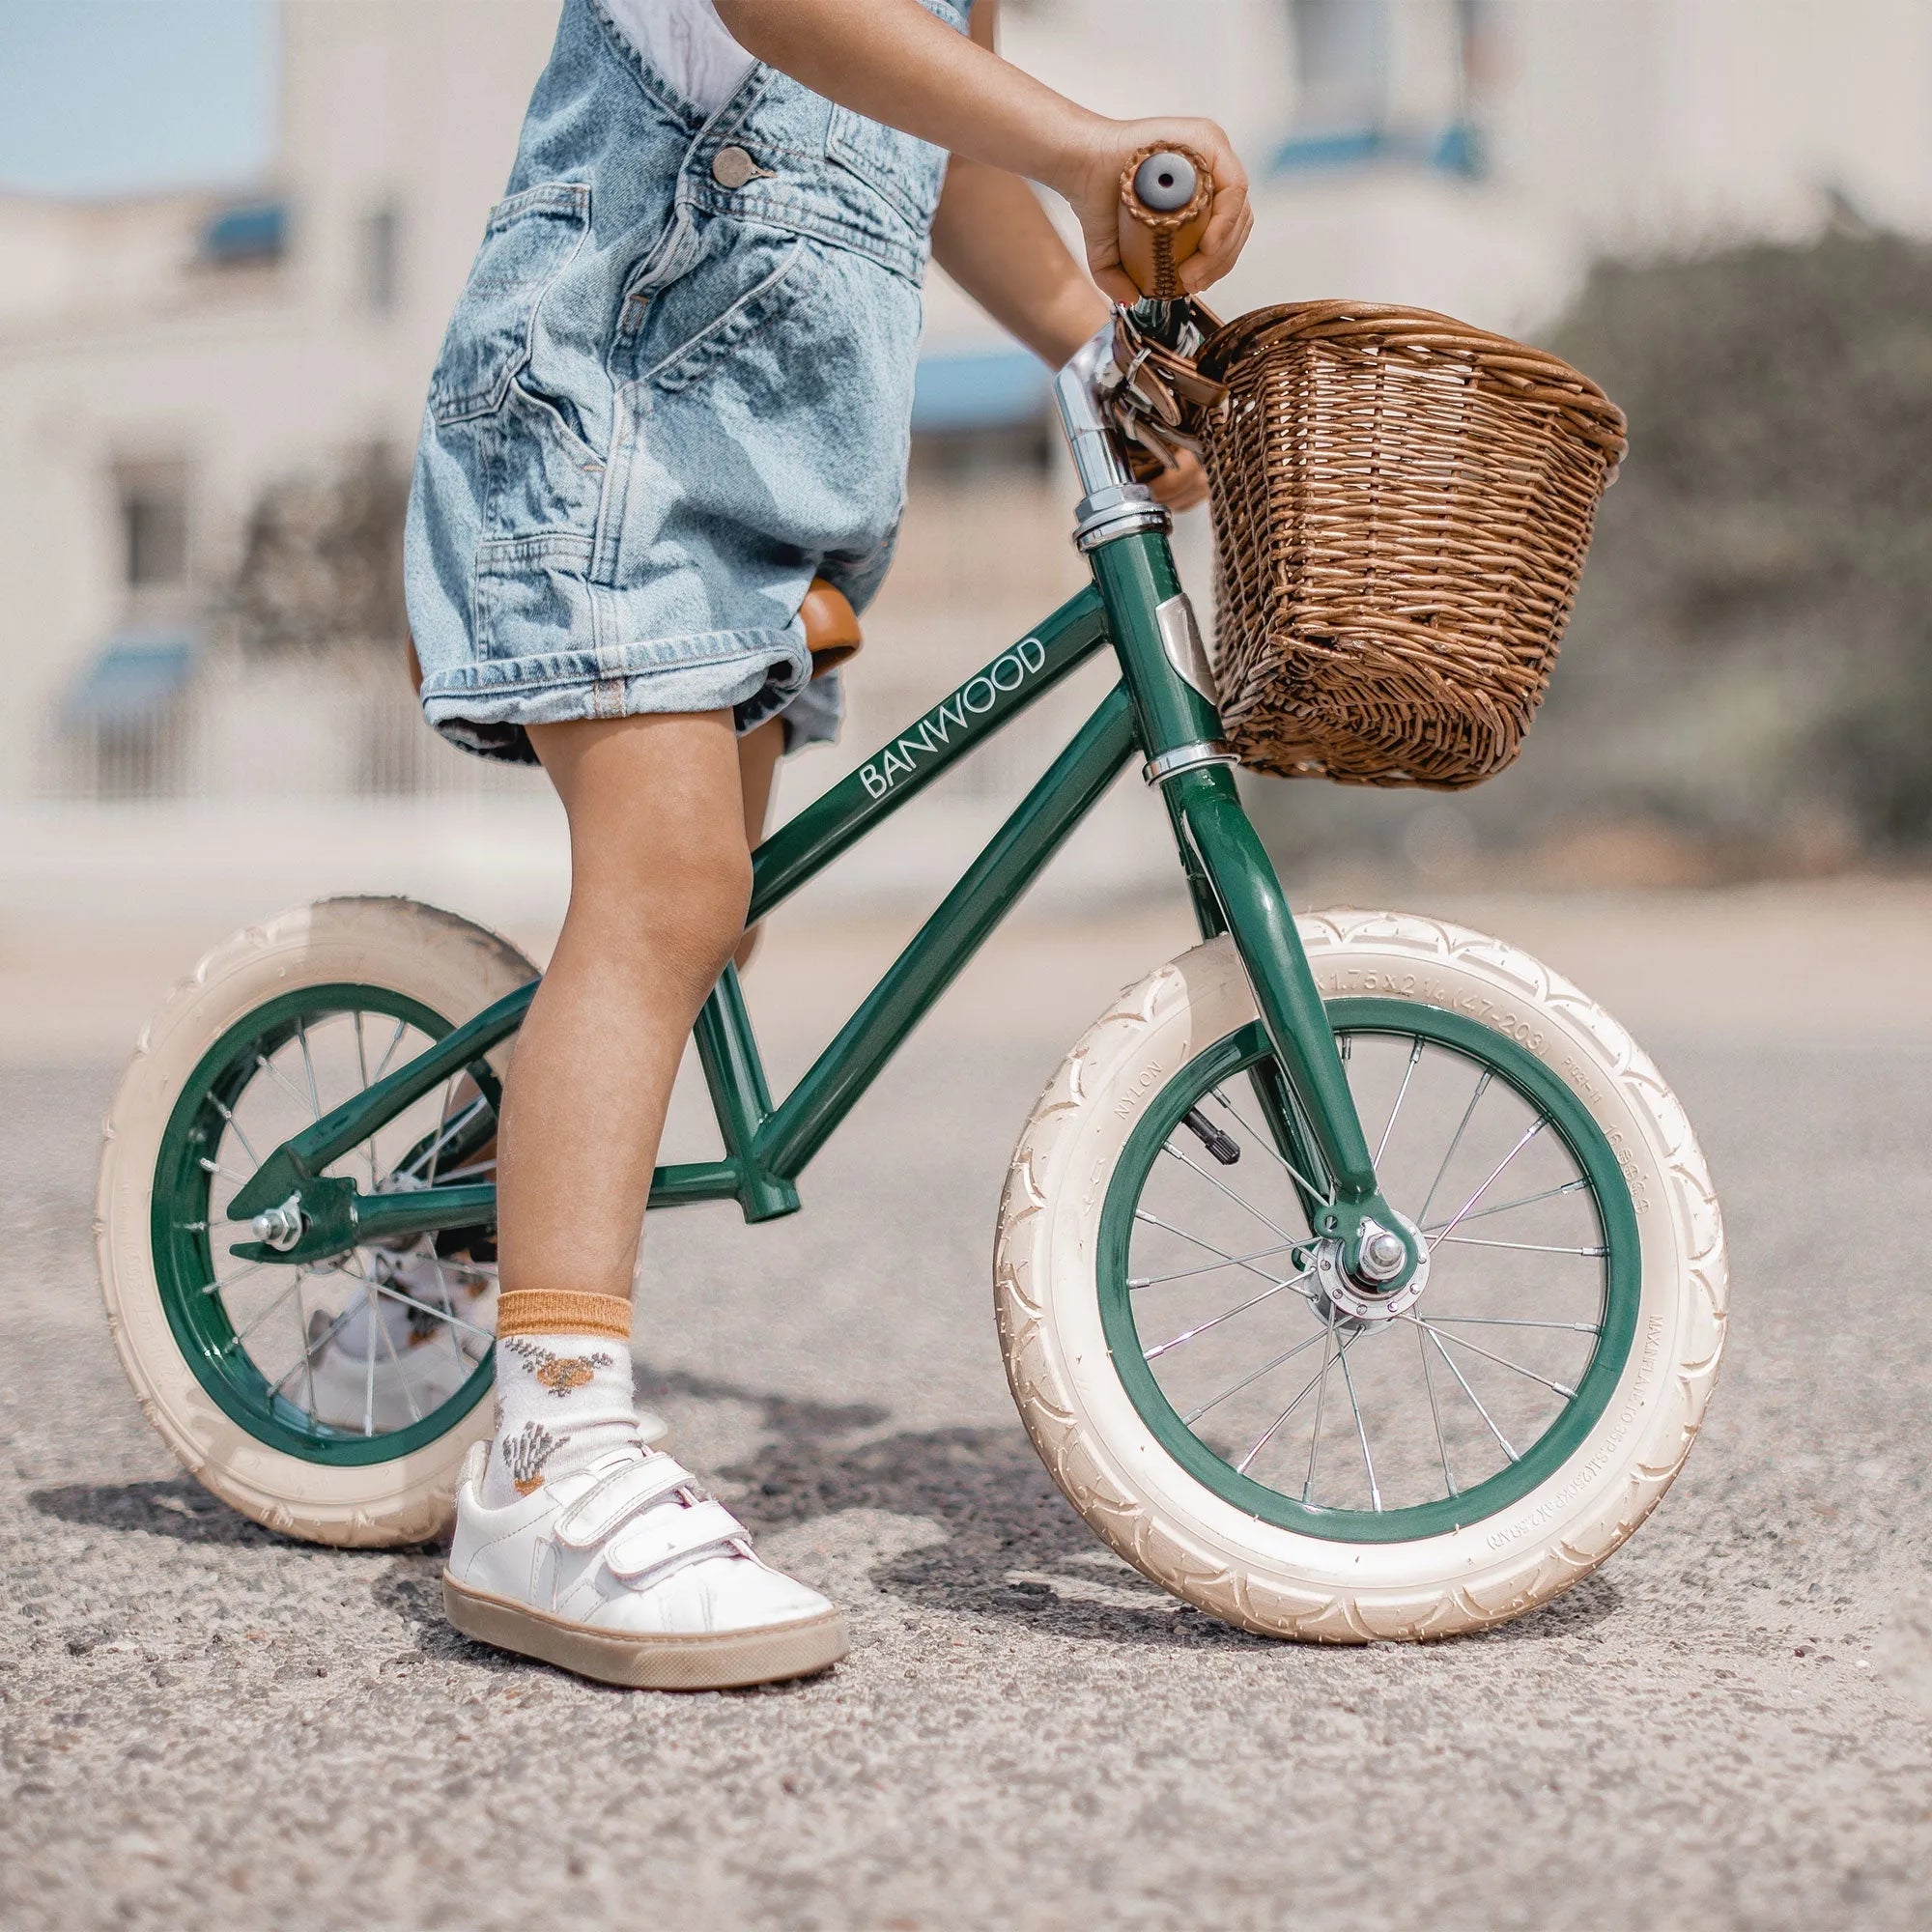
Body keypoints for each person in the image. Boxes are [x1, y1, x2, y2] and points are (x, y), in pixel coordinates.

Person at [405, 0, 1251, 1689]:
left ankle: (439, 1235)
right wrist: (1083, 139)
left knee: (713, 930)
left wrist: (1093, 336)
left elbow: (936, 158)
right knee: (661, 907)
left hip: (771, 489)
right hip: (609, 432)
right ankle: (546, 1462)